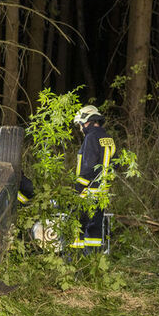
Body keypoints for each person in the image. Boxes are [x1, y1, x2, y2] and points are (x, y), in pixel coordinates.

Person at [70, 105, 116, 251]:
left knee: (77, 227)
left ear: (86, 121)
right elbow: (115, 164)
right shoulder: (108, 138)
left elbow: (88, 167)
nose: (80, 129)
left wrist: (78, 188)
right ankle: (94, 259)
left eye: (80, 125)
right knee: (95, 229)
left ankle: (76, 260)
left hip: (87, 192)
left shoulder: (91, 137)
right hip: (102, 193)